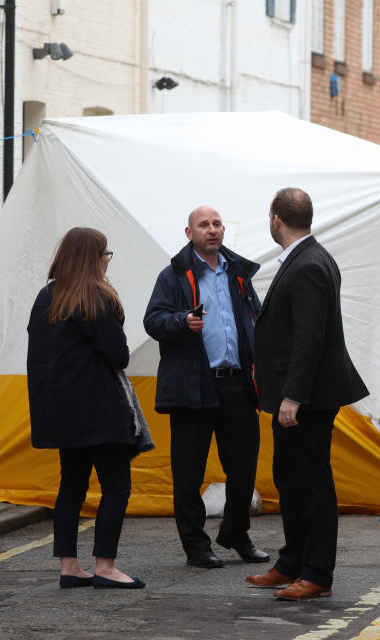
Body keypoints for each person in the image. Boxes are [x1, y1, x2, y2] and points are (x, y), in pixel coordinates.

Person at [247, 188, 368, 601]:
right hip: (296, 395)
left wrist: (293, 396)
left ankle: (317, 573)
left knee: (313, 483)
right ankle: (292, 562)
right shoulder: (306, 258)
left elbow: (309, 338)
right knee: (291, 479)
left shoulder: (309, 264)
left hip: (307, 399)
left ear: (275, 219)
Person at [143, 205, 268, 569]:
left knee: (243, 468)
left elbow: (256, 320)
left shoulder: (239, 274)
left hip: (237, 385)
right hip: (192, 386)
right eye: (203, 225)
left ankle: (235, 534)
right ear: (189, 233)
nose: (211, 230)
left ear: (223, 230)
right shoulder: (174, 275)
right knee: (188, 472)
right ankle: (196, 545)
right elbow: (153, 320)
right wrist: (182, 320)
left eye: (216, 224)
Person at [26, 227, 145, 589]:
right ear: (92, 259)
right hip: (101, 411)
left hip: (62, 414)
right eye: (105, 255)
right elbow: (118, 355)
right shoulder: (96, 299)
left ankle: (69, 566)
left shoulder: (47, 298)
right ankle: (106, 567)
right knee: (116, 487)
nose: (107, 262)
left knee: (72, 487)